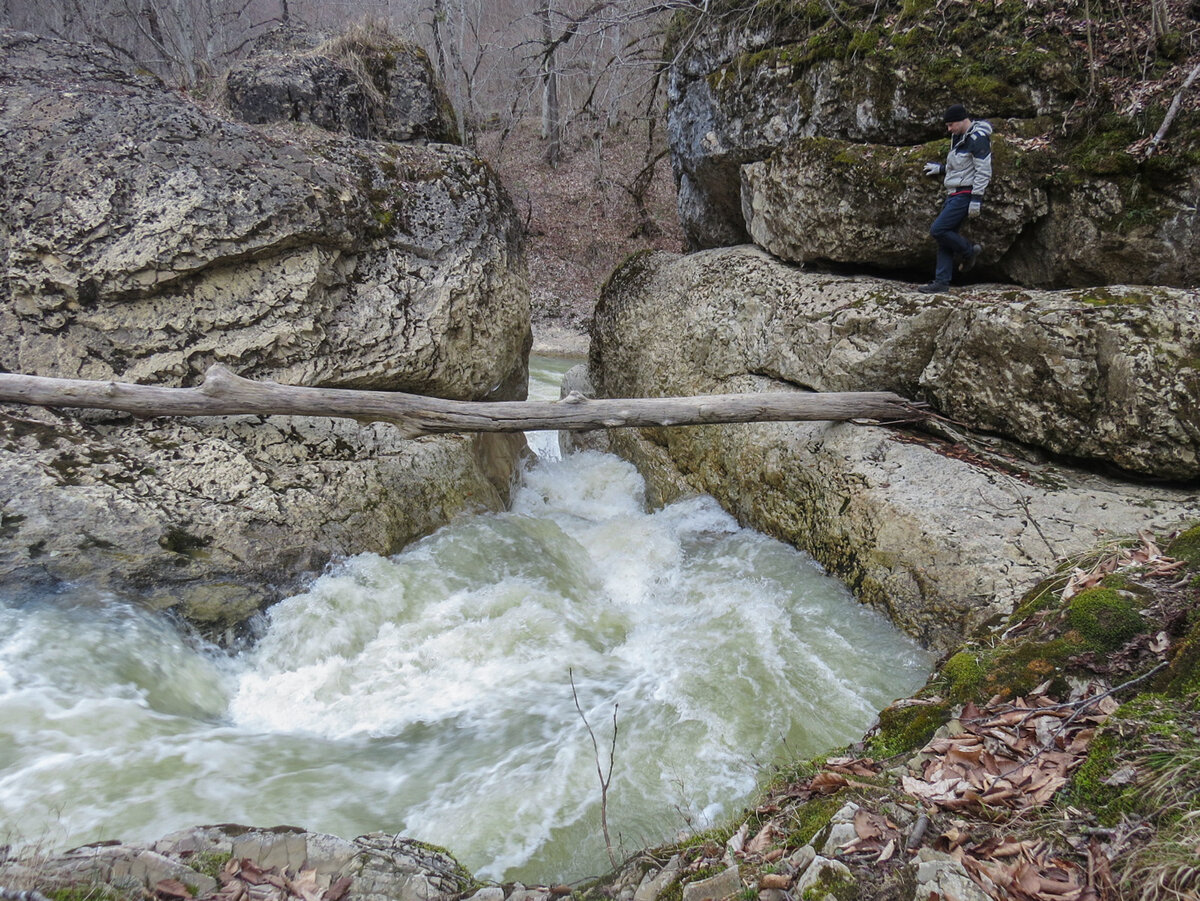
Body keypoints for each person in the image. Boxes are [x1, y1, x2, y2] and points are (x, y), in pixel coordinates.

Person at [917, 103, 992, 293]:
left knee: (938, 230)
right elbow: (960, 166)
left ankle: (968, 251)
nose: (948, 129)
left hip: (964, 194)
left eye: (951, 125)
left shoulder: (978, 138)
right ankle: (941, 282)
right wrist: (941, 169)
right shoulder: (958, 137)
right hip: (954, 193)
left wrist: (976, 199)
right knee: (944, 238)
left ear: (962, 120)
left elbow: (983, 171)